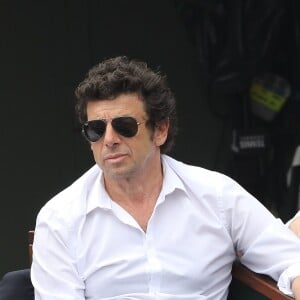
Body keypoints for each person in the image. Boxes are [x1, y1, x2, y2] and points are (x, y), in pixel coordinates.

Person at [31, 56, 300, 300]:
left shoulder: (218, 196)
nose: (109, 140)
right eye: (96, 130)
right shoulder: (60, 218)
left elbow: (291, 260)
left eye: (124, 126)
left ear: (160, 130)